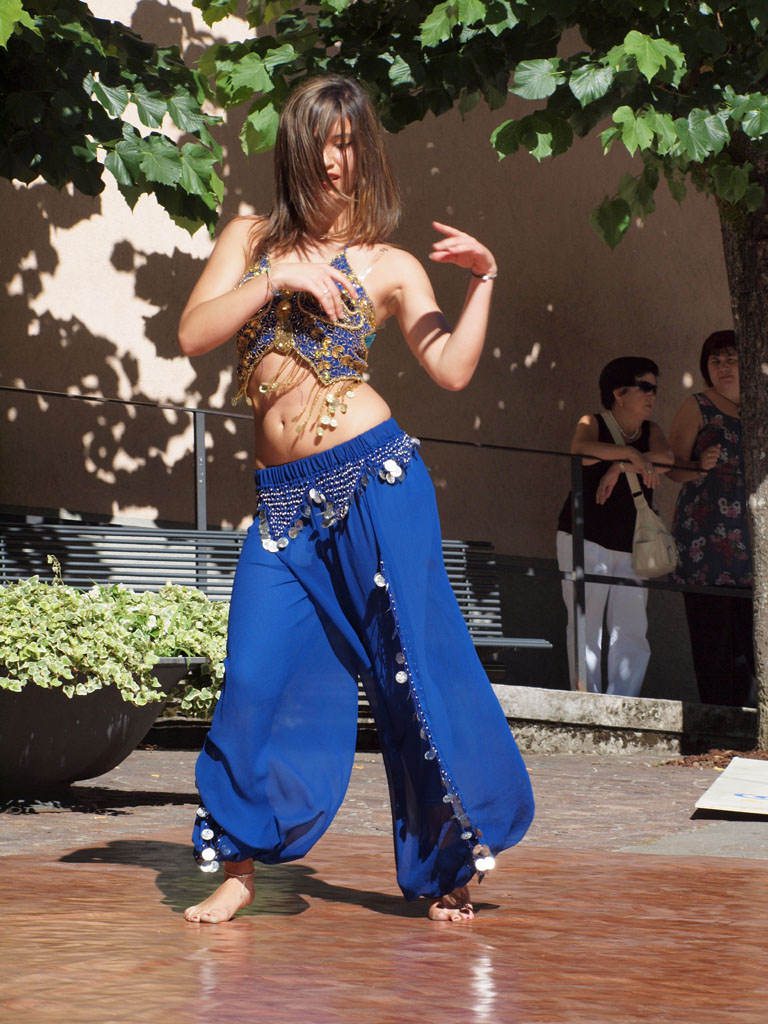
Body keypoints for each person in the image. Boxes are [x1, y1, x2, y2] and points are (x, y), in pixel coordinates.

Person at [177, 75, 534, 925]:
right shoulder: (253, 236)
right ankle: (238, 865)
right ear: (299, 149)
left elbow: (448, 368)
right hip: (281, 502)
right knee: (256, 670)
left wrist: (485, 283)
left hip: (377, 483)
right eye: (326, 143)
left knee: (410, 670)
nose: (341, 161)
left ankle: (451, 864)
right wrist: (277, 277)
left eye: (353, 144)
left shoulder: (393, 265)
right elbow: (193, 333)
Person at [556, 357, 673, 696]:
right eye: (645, 387)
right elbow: (580, 450)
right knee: (585, 622)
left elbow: (666, 460)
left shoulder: (651, 431)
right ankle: (586, 701)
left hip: (633, 540)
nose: (653, 395)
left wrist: (621, 466)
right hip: (585, 535)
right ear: (619, 393)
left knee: (632, 626)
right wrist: (629, 454)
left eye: (655, 388)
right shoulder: (593, 421)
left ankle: (624, 700)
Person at [667, 330, 754, 706]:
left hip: (753, 541)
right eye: (715, 361)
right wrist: (699, 467)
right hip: (706, 539)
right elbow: (671, 466)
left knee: (752, 638)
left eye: (731, 358)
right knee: (712, 635)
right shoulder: (698, 406)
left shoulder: (761, 406)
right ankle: (717, 718)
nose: (723, 367)